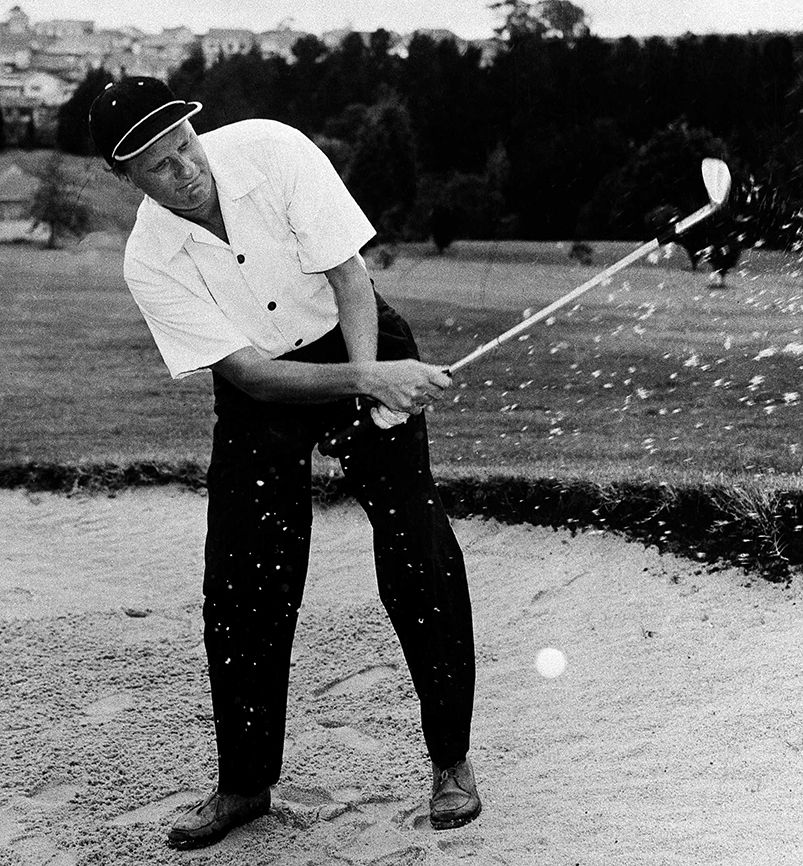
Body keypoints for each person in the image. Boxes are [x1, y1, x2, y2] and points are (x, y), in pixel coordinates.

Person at [88, 77, 481, 850]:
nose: (185, 170)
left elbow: (349, 278)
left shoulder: (273, 148)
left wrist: (374, 387)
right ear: (124, 175)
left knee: (417, 550)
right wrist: (370, 385)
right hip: (266, 385)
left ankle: (451, 763)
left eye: (185, 148)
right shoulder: (149, 259)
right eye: (160, 167)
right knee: (241, 574)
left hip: (356, 335)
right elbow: (249, 377)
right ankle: (244, 784)